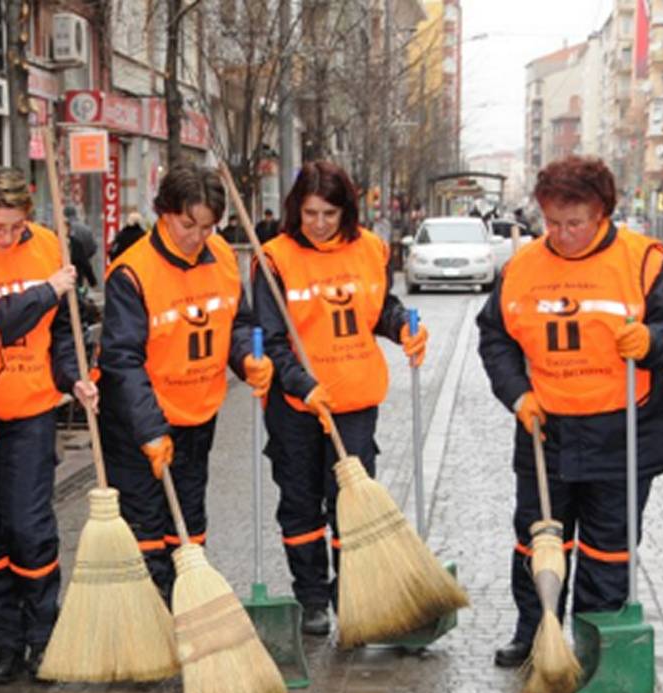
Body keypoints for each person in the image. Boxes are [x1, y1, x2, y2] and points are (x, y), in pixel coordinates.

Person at [477, 155, 663, 670]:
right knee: (539, 541)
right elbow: (495, 338)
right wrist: (516, 394)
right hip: (544, 429)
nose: (562, 234)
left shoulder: (643, 260)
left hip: (622, 430)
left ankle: (596, 643)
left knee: (609, 549)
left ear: (601, 213)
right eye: (552, 222)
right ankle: (535, 632)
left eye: (574, 223)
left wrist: (651, 340)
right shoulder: (522, 267)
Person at [252, 161, 429, 637]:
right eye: (310, 213)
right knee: (301, 503)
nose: (319, 224)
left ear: (345, 211)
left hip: (353, 400)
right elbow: (269, 338)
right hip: (297, 407)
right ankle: (311, 595)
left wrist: (401, 328)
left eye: (329, 214)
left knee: (350, 504)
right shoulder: (273, 259)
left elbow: (378, 308)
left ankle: (348, 591)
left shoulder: (371, 248)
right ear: (296, 211)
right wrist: (299, 383)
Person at [0, 167, 91, 684]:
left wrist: (75, 378)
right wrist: (45, 293)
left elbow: (64, 333)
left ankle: (43, 636)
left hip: (31, 408)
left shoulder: (50, 245)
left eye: (14, 226)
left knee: (28, 528)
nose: (5, 237)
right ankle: (3, 643)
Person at [99, 163, 268, 597]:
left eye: (208, 227)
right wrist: (150, 429)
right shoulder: (131, 272)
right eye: (187, 224)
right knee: (146, 528)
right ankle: (149, 623)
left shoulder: (224, 259)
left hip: (198, 416)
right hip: (140, 426)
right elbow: (121, 359)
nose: (196, 237)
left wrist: (248, 358)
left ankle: (186, 607)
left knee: (189, 524)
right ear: (163, 212)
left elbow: (238, 322)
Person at [65, 205, 100, 289]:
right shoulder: (86, 229)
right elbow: (93, 247)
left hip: (66, 269)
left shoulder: (64, 228)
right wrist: (86, 256)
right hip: (81, 268)